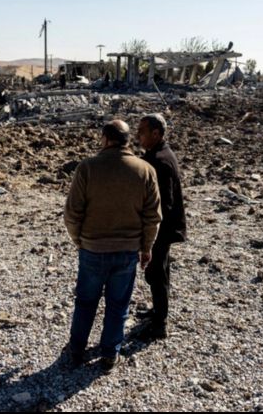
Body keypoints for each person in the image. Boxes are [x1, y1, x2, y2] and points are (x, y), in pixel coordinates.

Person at [64, 120, 162, 372]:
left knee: (86, 302)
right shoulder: (145, 170)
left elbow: (72, 213)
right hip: (127, 251)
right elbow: (152, 217)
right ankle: (109, 355)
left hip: (92, 249)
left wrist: (79, 239)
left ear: (106, 139)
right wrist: (146, 247)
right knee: (118, 305)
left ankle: (76, 350)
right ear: (128, 139)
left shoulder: (87, 167)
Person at [136, 113, 187, 339]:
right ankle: (157, 312)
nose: (138, 136)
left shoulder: (160, 161)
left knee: (158, 273)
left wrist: (150, 230)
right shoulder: (158, 154)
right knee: (158, 271)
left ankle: (159, 324)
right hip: (161, 227)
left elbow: (163, 203)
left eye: (143, 132)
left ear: (156, 134)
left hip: (160, 229)